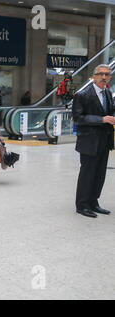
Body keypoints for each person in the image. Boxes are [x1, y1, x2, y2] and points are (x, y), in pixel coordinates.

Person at [72, 64, 115, 218]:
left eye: (107, 74)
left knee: (99, 174)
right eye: (101, 74)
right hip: (89, 141)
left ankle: (93, 202)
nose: (104, 77)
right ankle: (82, 204)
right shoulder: (82, 95)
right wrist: (102, 119)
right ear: (94, 76)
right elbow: (78, 118)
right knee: (88, 173)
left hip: (104, 140)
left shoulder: (108, 93)